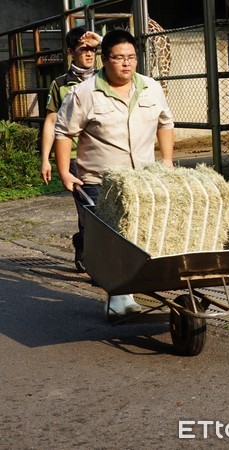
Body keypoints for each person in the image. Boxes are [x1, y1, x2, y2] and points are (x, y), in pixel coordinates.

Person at [54, 29, 174, 315]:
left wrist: (167, 160)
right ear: (105, 59)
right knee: (113, 238)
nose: (126, 64)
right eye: (119, 58)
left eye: (131, 58)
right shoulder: (83, 93)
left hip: (141, 179)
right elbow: (63, 132)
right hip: (100, 180)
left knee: (137, 236)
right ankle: (119, 296)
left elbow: (165, 122)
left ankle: (126, 292)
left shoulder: (150, 88)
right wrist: (64, 172)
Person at [40, 26, 102, 273]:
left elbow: (124, 54)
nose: (89, 54)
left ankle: (83, 242)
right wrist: (46, 159)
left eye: (93, 49)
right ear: (70, 52)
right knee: (90, 209)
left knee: (108, 209)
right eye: (83, 49)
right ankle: (98, 262)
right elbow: (51, 122)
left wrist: (102, 41)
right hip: (76, 157)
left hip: (105, 153)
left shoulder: (106, 77)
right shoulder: (61, 84)